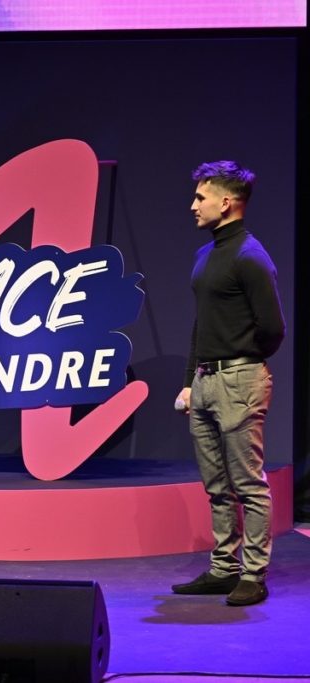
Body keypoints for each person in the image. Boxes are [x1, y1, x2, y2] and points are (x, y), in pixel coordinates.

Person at [171, 161, 284, 606]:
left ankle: (253, 574)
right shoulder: (206, 255)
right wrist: (189, 381)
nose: (193, 205)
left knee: (248, 484)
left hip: (239, 380)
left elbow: (273, 329)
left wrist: (242, 362)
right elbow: (203, 323)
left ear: (227, 202)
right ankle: (223, 568)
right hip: (204, 381)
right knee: (216, 484)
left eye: (201, 197)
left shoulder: (250, 257)